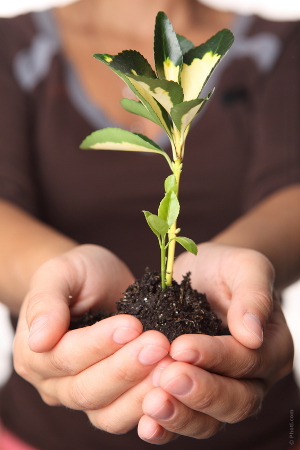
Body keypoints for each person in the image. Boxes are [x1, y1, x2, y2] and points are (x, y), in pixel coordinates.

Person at [0, 0, 299, 449]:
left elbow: (291, 188)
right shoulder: (14, 46)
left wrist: (248, 265)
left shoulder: (281, 47)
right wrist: (52, 284)